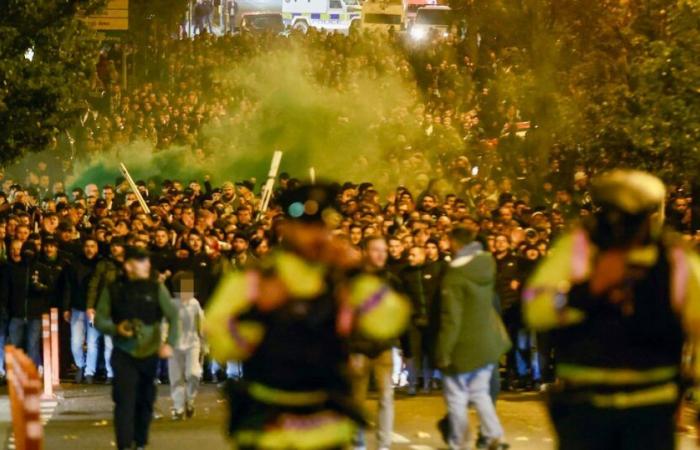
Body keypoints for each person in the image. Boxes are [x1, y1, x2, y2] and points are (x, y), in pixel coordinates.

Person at [206, 184, 409, 450]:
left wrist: (357, 272)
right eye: (304, 224)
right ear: (286, 227)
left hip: (325, 425)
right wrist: (257, 319)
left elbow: (388, 320)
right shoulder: (257, 279)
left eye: (319, 224)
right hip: (268, 424)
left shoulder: (340, 279)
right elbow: (218, 336)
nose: (312, 232)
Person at [523, 170, 700, 450]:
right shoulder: (579, 249)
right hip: (585, 407)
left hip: (650, 409)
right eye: (611, 213)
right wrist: (587, 290)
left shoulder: (675, 259)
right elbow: (535, 308)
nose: (618, 225)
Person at [95, 246, 179, 450]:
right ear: (128, 265)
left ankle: (140, 442)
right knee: (125, 400)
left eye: (147, 261)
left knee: (145, 401)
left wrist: (170, 344)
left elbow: (173, 316)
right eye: (142, 261)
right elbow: (99, 319)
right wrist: (115, 328)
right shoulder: (113, 289)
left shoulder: (156, 288)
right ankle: (124, 445)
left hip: (149, 354)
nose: (147, 265)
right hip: (124, 353)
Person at [436, 227, 511, 450]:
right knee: (480, 393)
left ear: (455, 243)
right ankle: (494, 434)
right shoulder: (486, 265)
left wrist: (443, 351)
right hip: (487, 343)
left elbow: (452, 319)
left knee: (457, 397)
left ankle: (458, 443)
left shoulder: (454, 276)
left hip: (463, 347)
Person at [348, 236, 402, 450]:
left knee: (386, 397)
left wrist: (399, 344)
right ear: (365, 252)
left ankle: (384, 444)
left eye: (384, 250)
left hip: (384, 348)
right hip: (358, 349)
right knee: (357, 400)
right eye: (375, 250)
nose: (381, 254)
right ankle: (358, 442)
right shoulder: (353, 281)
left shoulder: (392, 280)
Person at [168, 271, 205, 420]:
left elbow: (201, 324)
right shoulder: (171, 304)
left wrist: (205, 343)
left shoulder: (195, 303)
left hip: (193, 343)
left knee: (193, 373)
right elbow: (165, 324)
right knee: (176, 378)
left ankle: (190, 400)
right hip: (174, 345)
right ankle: (178, 408)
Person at [63, 236, 101, 383]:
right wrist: (66, 308)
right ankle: (81, 365)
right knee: (75, 341)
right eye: (87, 246)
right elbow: (68, 287)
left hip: (93, 311)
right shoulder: (75, 264)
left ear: (96, 248)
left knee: (92, 342)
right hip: (77, 309)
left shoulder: (100, 265)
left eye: (92, 246)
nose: (89, 249)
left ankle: (90, 372)